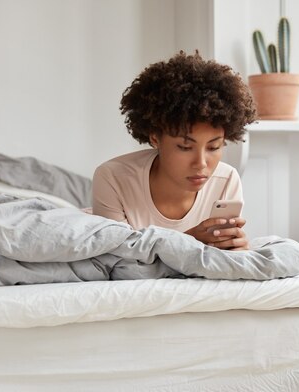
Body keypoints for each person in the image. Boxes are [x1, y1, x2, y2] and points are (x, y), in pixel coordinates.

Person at [93, 51, 257, 250]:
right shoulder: (113, 178)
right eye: (185, 147)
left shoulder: (227, 180)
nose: (201, 163)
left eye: (214, 147)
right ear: (155, 138)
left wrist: (237, 250)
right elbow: (114, 261)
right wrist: (188, 242)